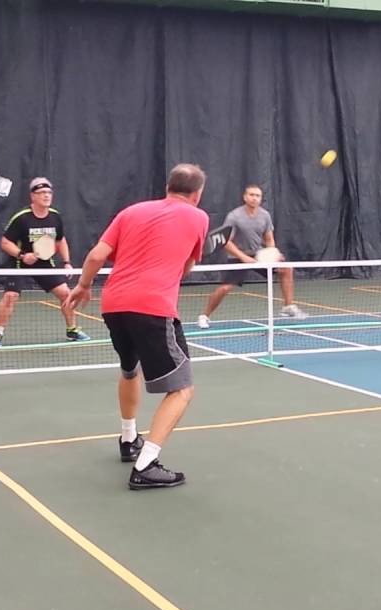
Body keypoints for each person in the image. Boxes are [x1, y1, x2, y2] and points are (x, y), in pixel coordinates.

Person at [65, 164, 209, 490]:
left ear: (168, 185)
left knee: (130, 370)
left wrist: (84, 286)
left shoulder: (131, 212)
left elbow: (96, 255)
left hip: (114, 306)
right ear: (197, 194)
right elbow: (186, 268)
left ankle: (129, 439)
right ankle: (146, 465)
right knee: (183, 389)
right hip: (153, 309)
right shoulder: (198, 218)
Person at [0, 177, 89, 347]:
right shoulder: (22, 218)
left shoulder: (55, 217)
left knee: (66, 294)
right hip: (20, 262)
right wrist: (22, 255)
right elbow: (5, 243)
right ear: (32, 196)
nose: (46, 196)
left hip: (43, 262)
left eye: (49, 192)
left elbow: (60, 240)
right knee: (11, 296)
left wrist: (66, 262)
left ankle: (72, 329)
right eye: (41, 192)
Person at [196, 184, 308, 329]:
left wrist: (273, 253)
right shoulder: (234, 216)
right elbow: (226, 241)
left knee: (286, 268)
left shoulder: (265, 215)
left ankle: (288, 306)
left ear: (261, 199)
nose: (254, 198)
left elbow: (269, 239)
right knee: (225, 289)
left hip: (258, 255)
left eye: (257, 196)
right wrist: (243, 257)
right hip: (237, 256)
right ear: (245, 197)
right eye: (251, 195)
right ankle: (204, 316)